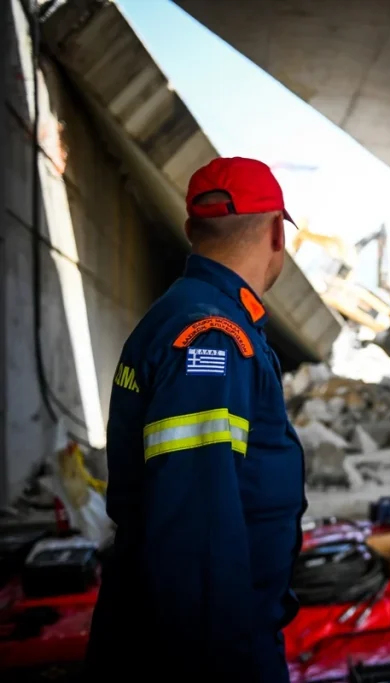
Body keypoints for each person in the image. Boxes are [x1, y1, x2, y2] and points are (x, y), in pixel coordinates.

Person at [86, 157, 307, 682]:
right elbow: (198, 535)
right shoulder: (213, 338)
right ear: (277, 231)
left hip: (173, 627)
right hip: (207, 646)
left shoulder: (184, 314)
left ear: (190, 230)